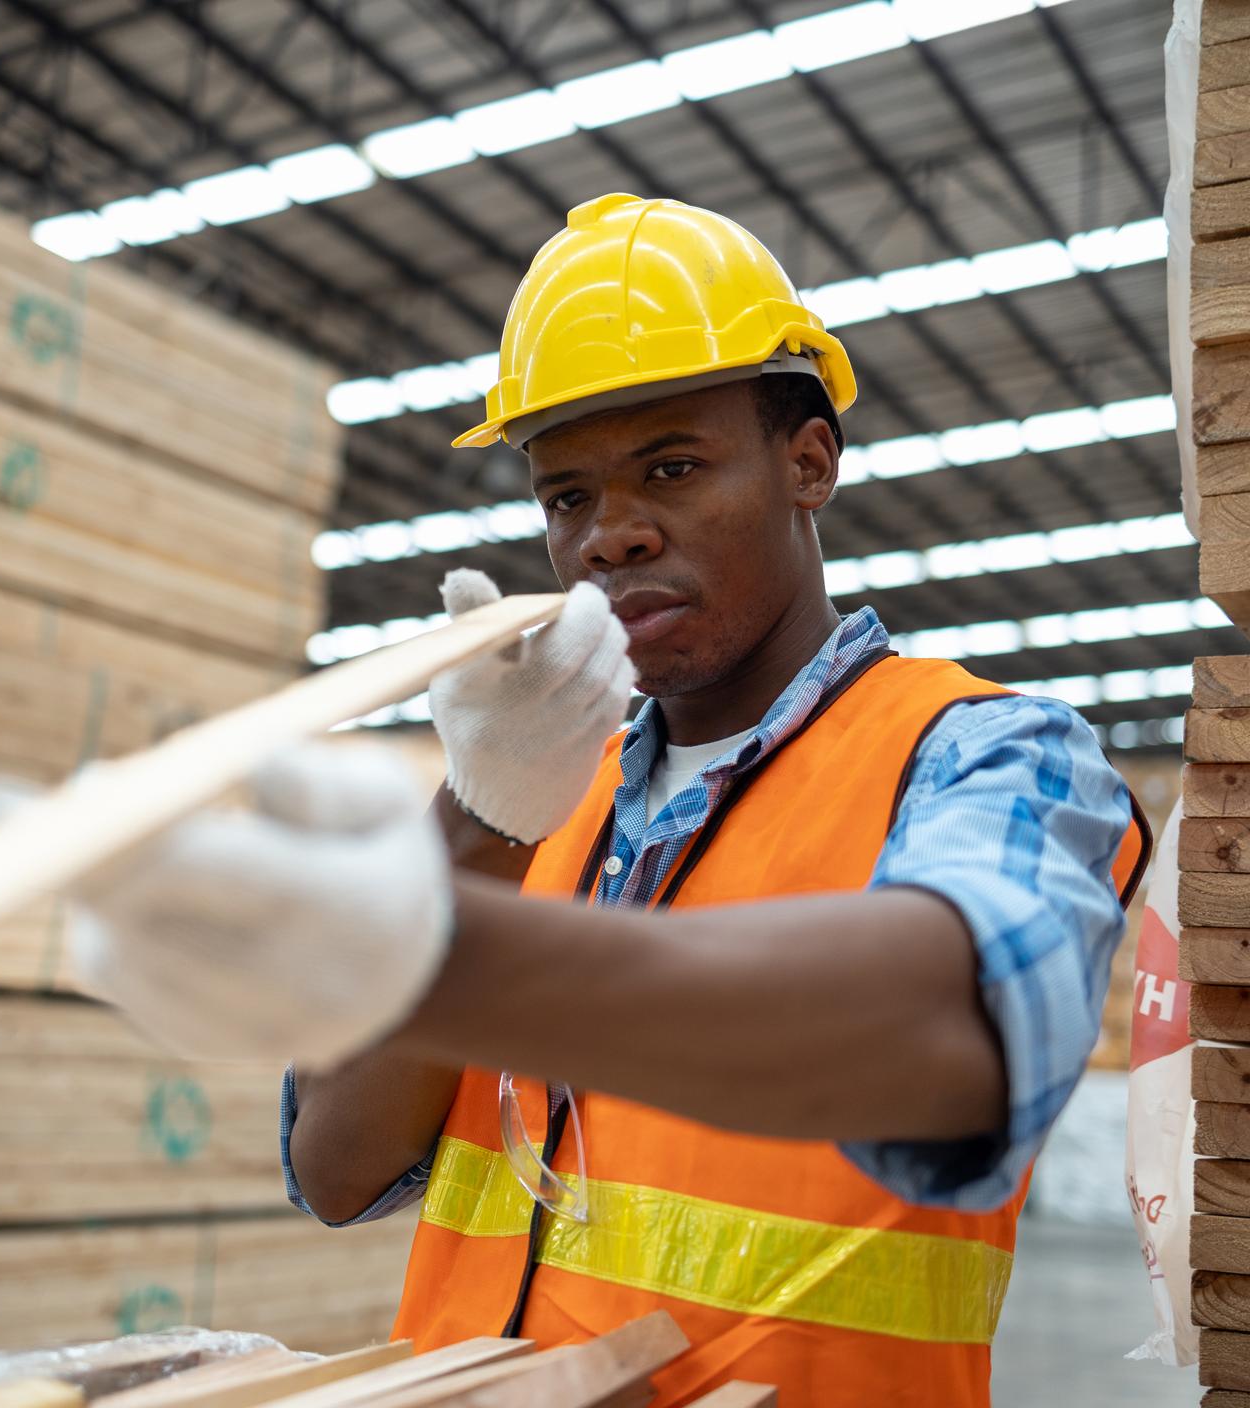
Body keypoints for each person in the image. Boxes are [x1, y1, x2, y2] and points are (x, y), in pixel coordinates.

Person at [71, 195, 1150, 1408]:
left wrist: (425, 942)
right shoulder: (534, 801)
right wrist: (476, 819)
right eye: (565, 497)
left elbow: (959, 1037)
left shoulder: (990, 751)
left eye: (672, 468)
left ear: (810, 461)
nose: (609, 537)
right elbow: (338, 1168)